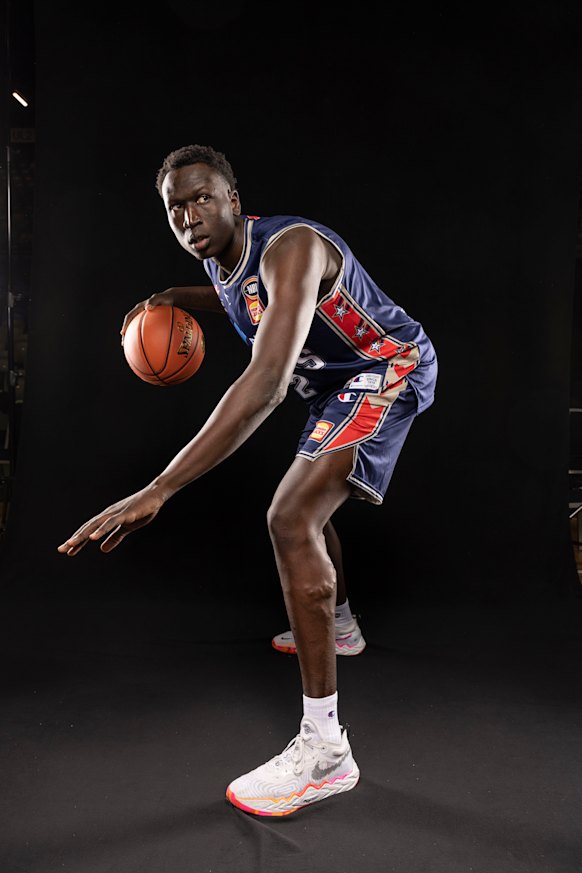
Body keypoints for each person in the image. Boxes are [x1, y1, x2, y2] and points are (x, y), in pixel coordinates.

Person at [57, 144, 438, 816]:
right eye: (176, 206)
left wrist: (161, 485)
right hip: (333, 380)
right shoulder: (221, 260)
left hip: (387, 367)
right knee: (308, 513)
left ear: (235, 199)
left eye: (202, 197)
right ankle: (341, 625)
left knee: (289, 517)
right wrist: (174, 298)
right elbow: (233, 294)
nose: (190, 214)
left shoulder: (288, 248)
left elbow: (264, 381)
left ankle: (326, 751)